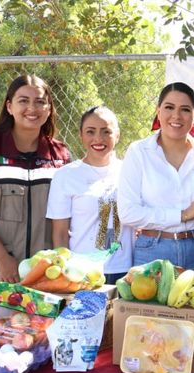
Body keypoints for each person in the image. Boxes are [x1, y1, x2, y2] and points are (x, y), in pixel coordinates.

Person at [0, 74, 70, 281]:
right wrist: (2, 258)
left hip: (44, 276)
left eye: (40, 102)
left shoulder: (60, 155)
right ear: (9, 106)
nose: (32, 108)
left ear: (49, 109)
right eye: (23, 101)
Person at [117, 82, 194, 270]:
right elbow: (128, 212)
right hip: (152, 250)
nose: (176, 116)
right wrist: (182, 215)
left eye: (185, 110)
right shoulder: (139, 151)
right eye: (169, 107)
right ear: (158, 111)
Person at [46, 106, 133, 284]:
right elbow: (60, 233)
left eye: (106, 131)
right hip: (83, 272)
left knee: (121, 313)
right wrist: (66, 274)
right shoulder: (66, 175)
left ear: (117, 134)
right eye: (90, 132)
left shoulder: (131, 171)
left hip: (125, 270)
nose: (98, 139)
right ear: (81, 135)